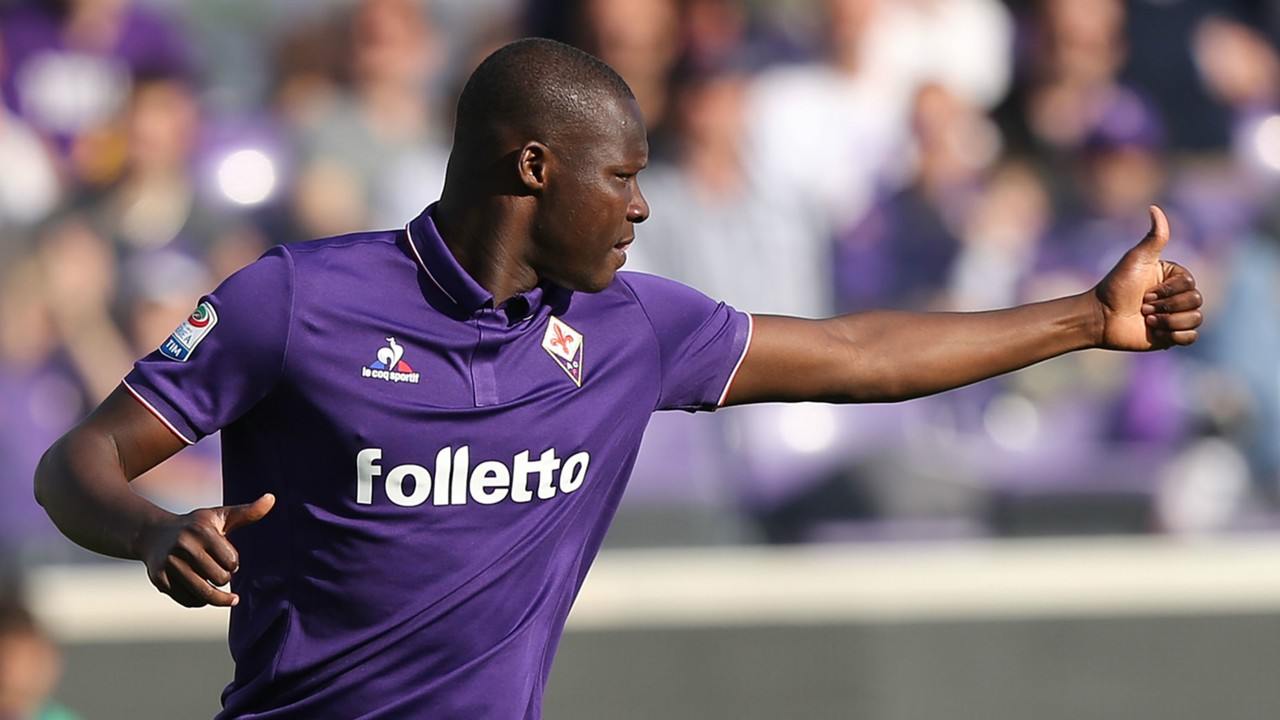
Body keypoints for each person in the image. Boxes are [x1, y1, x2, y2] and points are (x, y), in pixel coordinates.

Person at [33, 38, 1203, 719]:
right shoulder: (294, 300)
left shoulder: (631, 327)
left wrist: (1083, 319)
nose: (641, 207)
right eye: (621, 176)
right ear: (533, 166)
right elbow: (75, 462)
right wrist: (149, 532)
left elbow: (860, 356)